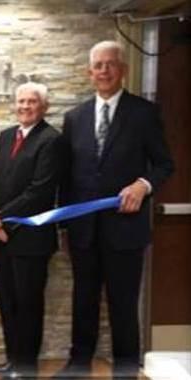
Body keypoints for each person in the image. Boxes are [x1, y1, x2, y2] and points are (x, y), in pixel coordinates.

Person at [56, 41, 174, 379]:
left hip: (126, 229)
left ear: (122, 70)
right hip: (83, 230)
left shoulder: (144, 113)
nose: (104, 70)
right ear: (89, 72)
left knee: (123, 305)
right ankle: (79, 364)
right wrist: (64, 226)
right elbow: (67, 177)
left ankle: (125, 369)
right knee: (84, 301)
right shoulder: (74, 118)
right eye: (98, 65)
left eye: (111, 64)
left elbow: (165, 165)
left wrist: (143, 185)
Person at [0, 82, 61, 379]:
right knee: (8, 302)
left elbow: (39, 191)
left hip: (30, 239)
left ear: (43, 107)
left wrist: (3, 219)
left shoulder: (51, 140)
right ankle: (12, 360)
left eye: (32, 101)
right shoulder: (6, 136)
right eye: (21, 101)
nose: (25, 106)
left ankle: (26, 368)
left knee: (28, 304)